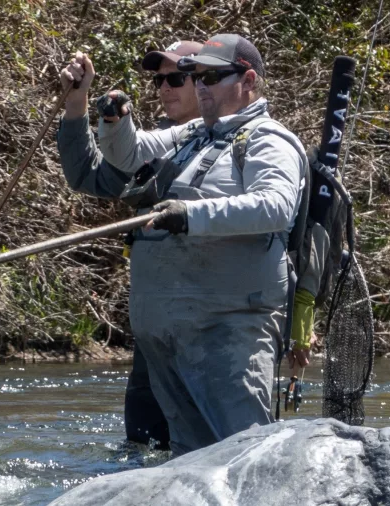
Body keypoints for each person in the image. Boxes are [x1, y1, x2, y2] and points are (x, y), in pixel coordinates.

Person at [97, 33, 308, 455]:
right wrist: (113, 120)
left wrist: (190, 216)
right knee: (188, 463)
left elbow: (277, 206)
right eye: (195, 76)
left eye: (212, 76)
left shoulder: (269, 139)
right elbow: (129, 156)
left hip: (227, 332)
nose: (200, 86)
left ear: (247, 80)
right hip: (168, 332)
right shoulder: (193, 133)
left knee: (244, 456)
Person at [56, 40, 204, 450]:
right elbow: (86, 175)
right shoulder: (149, 146)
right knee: (142, 443)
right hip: (154, 321)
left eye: (176, 78)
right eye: (158, 80)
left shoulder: (244, 143)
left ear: (208, 80)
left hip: (212, 322)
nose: (164, 88)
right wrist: (78, 101)